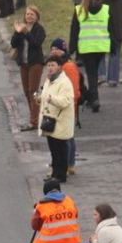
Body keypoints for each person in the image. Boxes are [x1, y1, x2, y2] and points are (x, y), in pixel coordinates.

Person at [69, 0, 116, 113]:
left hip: (86, 46)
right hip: (101, 46)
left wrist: (71, 49)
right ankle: (93, 98)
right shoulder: (106, 9)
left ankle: (93, 99)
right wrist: (113, 46)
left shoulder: (79, 9)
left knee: (91, 73)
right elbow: (111, 28)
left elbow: (74, 30)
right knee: (94, 72)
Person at [38, 55, 74, 183]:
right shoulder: (49, 80)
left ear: (59, 67)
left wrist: (51, 99)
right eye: (48, 65)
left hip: (60, 121)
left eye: (53, 65)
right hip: (49, 121)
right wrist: (40, 99)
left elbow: (66, 101)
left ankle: (60, 175)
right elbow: (45, 96)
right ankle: (54, 173)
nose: (50, 68)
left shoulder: (64, 82)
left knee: (60, 150)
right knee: (53, 149)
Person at [48, 39, 81, 175]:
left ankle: (68, 164)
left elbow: (73, 89)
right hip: (57, 105)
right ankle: (67, 164)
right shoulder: (55, 66)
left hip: (66, 106)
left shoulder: (68, 67)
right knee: (66, 136)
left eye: (58, 49)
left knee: (66, 137)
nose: (55, 51)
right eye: (53, 48)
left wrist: (69, 104)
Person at [11, 5, 46, 130]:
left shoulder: (39, 29)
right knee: (27, 92)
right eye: (27, 14)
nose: (29, 16)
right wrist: (17, 31)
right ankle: (35, 116)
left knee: (34, 91)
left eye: (32, 14)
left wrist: (26, 33)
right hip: (24, 64)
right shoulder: (22, 29)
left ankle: (34, 121)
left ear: (37, 17)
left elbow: (36, 44)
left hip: (35, 63)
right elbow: (13, 43)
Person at [28, 179, 81, 243]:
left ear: (45, 192)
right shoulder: (69, 200)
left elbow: (35, 226)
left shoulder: (41, 206)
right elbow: (76, 215)